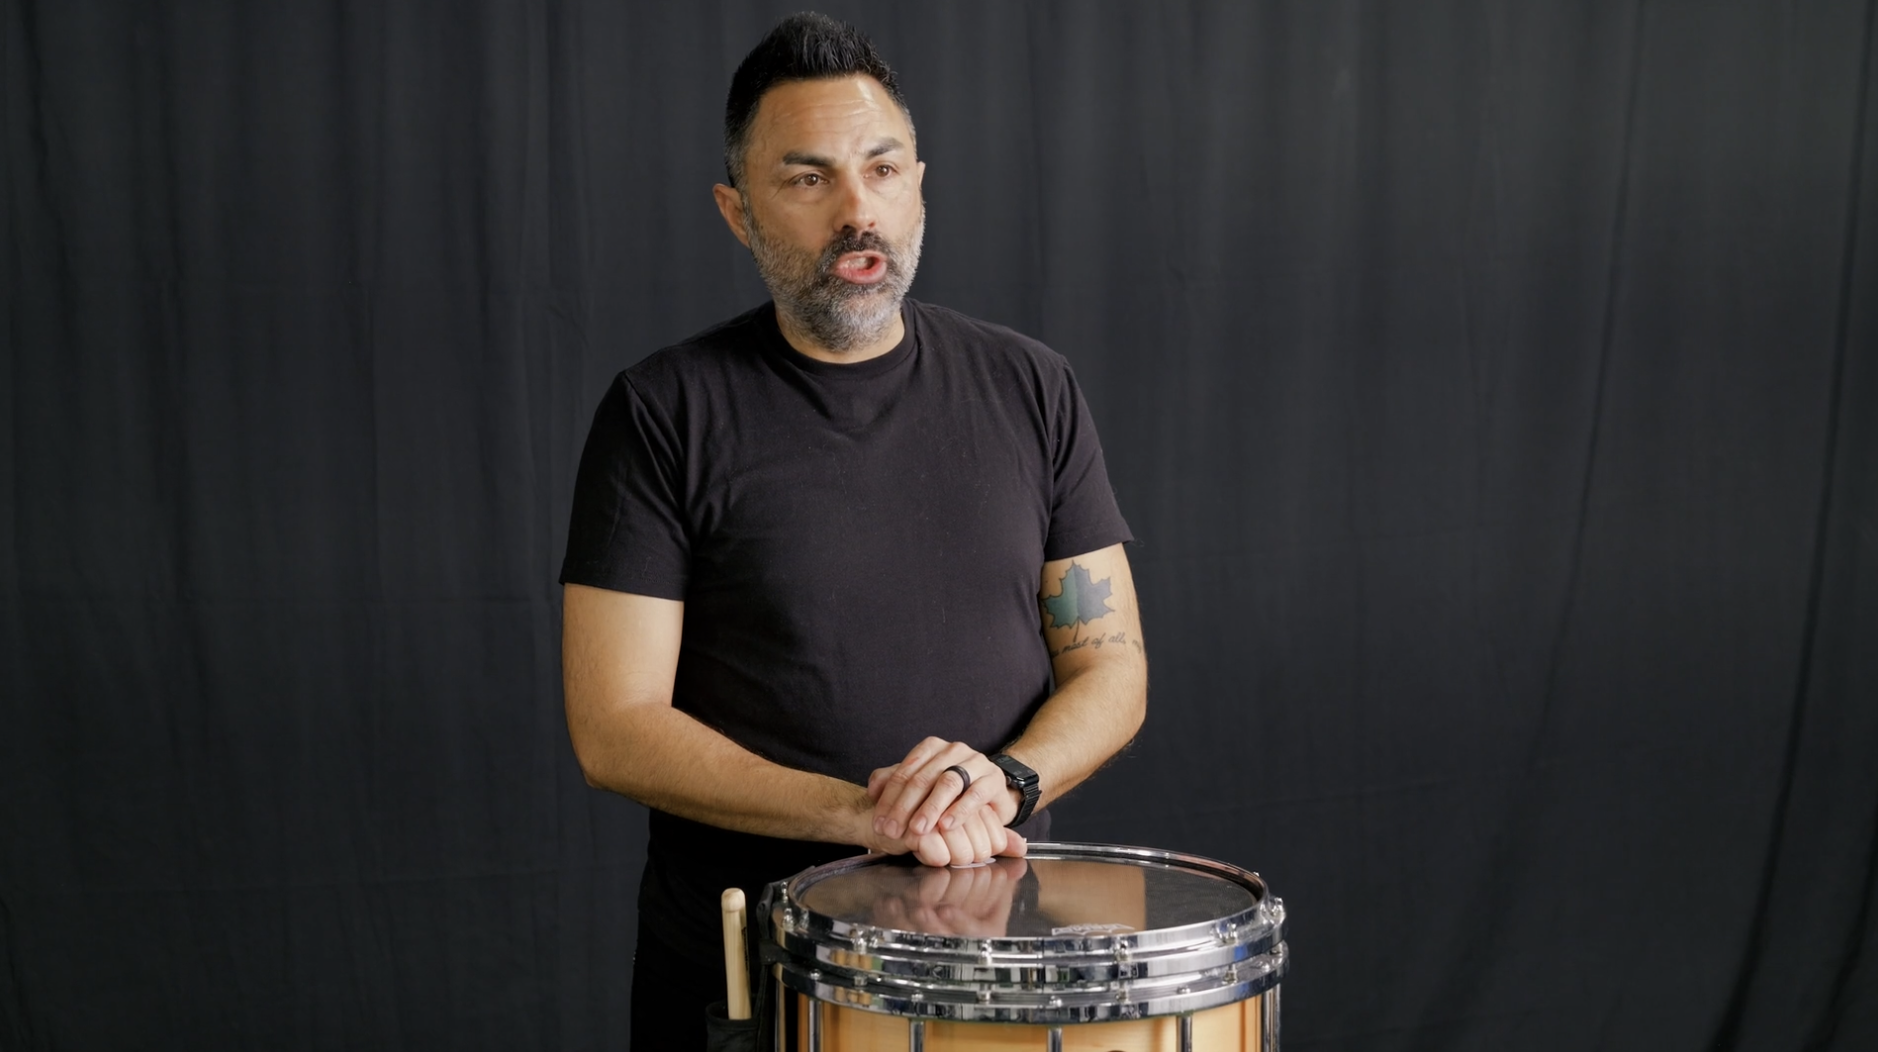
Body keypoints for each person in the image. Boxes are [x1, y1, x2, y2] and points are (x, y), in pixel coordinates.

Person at [558, 12, 1147, 1047]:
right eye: (807, 179)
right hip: (752, 979)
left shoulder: (1032, 387)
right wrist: (867, 813)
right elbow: (614, 727)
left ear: (920, 181)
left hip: (994, 974)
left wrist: (1004, 781)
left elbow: (1110, 667)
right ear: (737, 213)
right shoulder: (662, 411)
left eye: (882, 170)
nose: (856, 210)